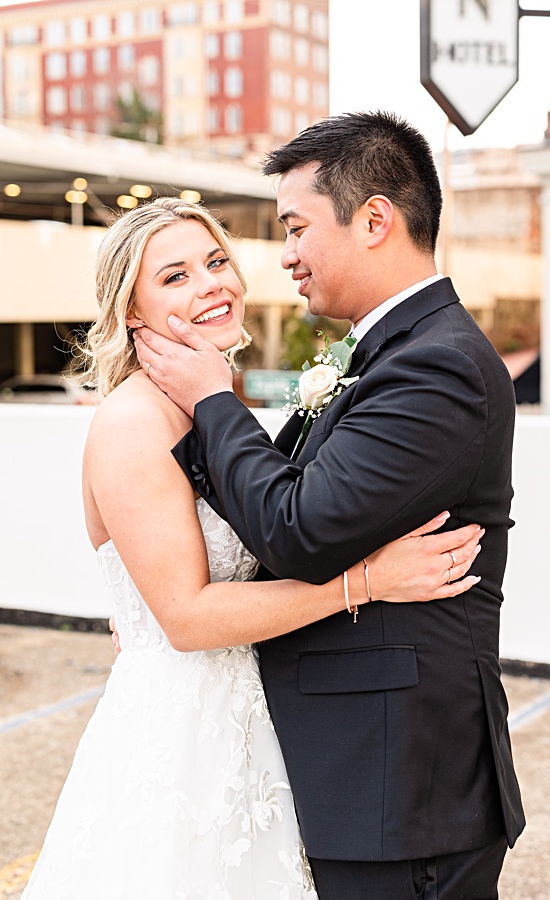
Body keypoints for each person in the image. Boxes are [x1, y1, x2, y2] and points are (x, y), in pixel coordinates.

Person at [19, 197, 485, 900]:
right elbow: (187, 619)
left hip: (253, 729)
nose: (210, 284)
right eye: (174, 277)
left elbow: (277, 532)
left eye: (214, 263)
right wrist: (366, 581)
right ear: (133, 313)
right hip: (179, 743)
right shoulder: (133, 422)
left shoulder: (208, 402)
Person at [137, 112, 523, 899]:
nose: (284, 256)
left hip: (398, 788)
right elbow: (272, 503)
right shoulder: (387, 352)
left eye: (296, 227)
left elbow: (297, 530)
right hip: (358, 779)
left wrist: (215, 399)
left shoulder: (436, 367)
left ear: (374, 219)